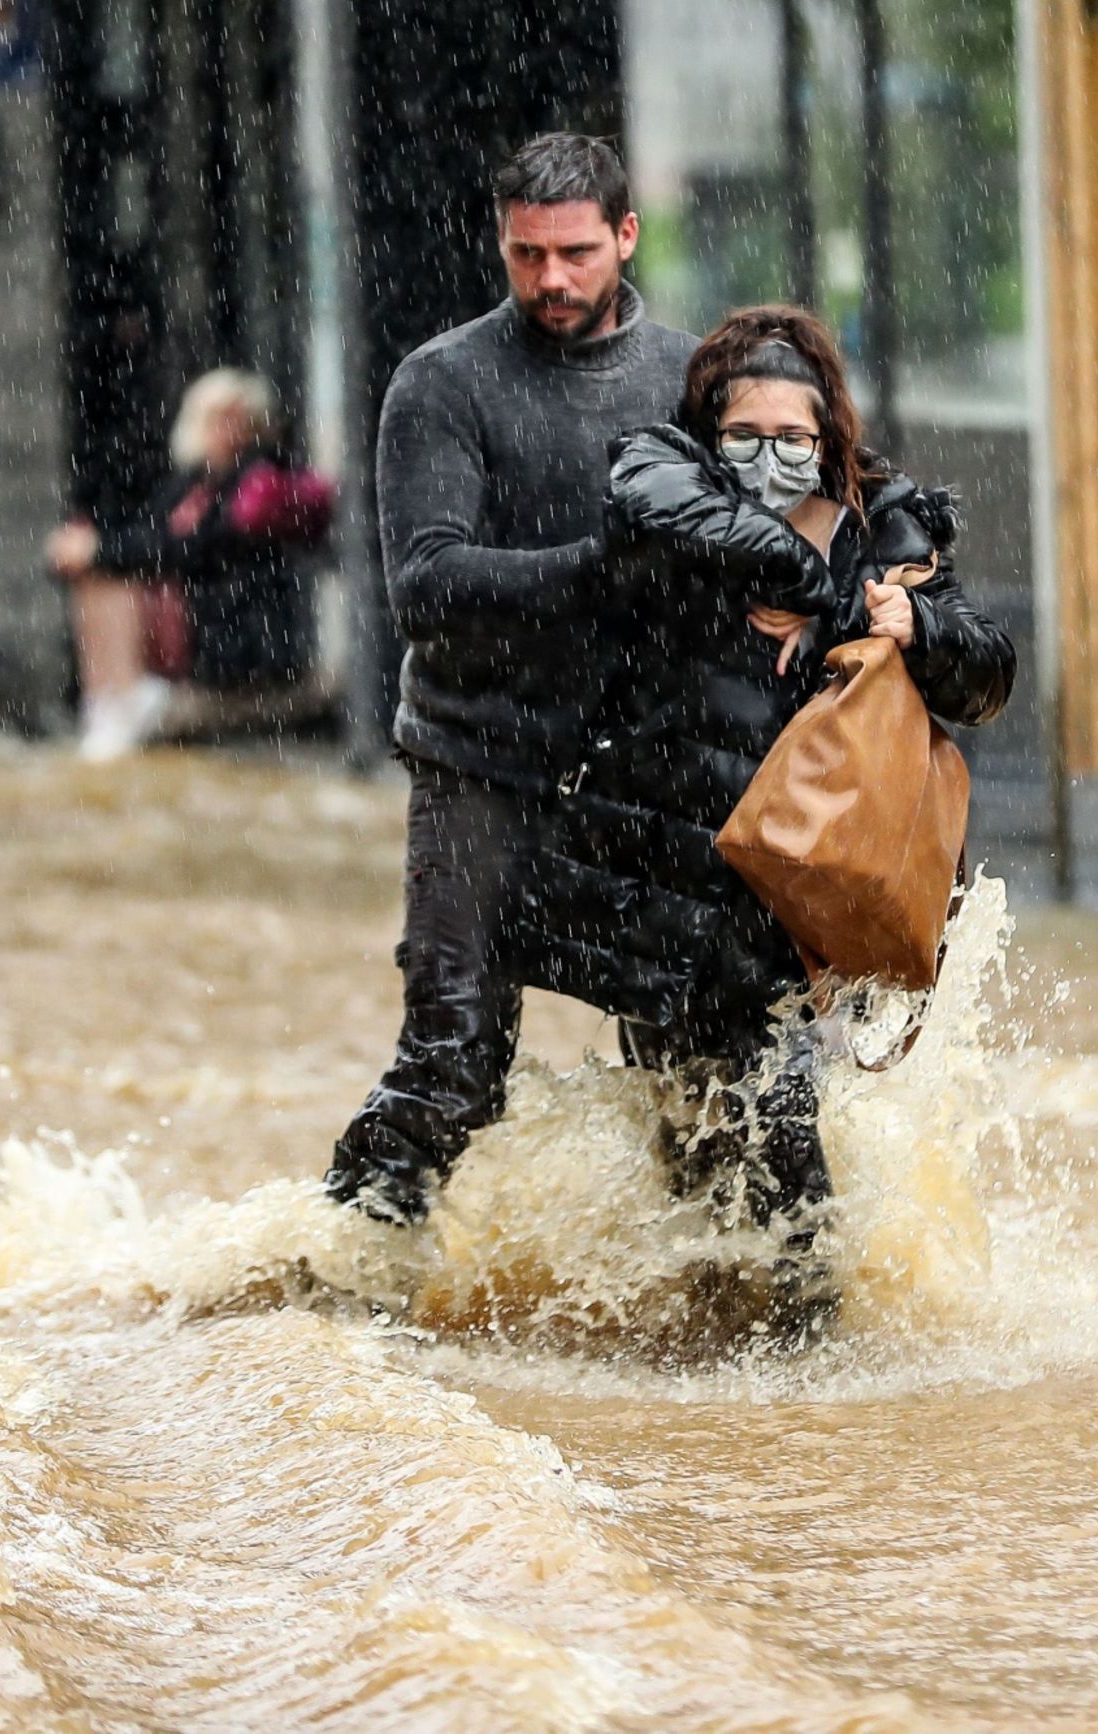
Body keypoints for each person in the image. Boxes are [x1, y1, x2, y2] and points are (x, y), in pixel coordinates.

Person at [518, 305, 1017, 1342]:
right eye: (744, 436)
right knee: (687, 1151)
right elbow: (650, 506)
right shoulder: (665, 498)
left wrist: (911, 621)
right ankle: (715, 1380)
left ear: (828, 437)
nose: (768, 458)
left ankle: (808, 1379)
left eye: (793, 440)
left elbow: (984, 676)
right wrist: (790, 576)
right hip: (664, 886)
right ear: (710, 431)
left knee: (784, 1134)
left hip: (794, 908)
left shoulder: (888, 531)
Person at [323, 134, 700, 1226]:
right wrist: (603, 570)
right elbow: (427, 586)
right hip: (476, 766)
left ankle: (733, 1326)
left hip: (649, 770)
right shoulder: (441, 384)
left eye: (576, 253)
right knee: (451, 1065)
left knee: (703, 1066)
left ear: (625, 238)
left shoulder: (691, 379)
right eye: (526, 254)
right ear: (500, 242)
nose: (551, 280)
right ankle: (334, 1305)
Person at [46, 369, 331, 761]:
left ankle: (125, 701)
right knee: (101, 577)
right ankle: (110, 704)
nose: (225, 431)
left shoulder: (258, 481)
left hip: (236, 640)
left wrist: (99, 550)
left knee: (114, 571)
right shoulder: (195, 482)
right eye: (216, 419)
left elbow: (194, 549)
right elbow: (149, 535)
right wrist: (89, 548)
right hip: (200, 625)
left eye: (235, 419)